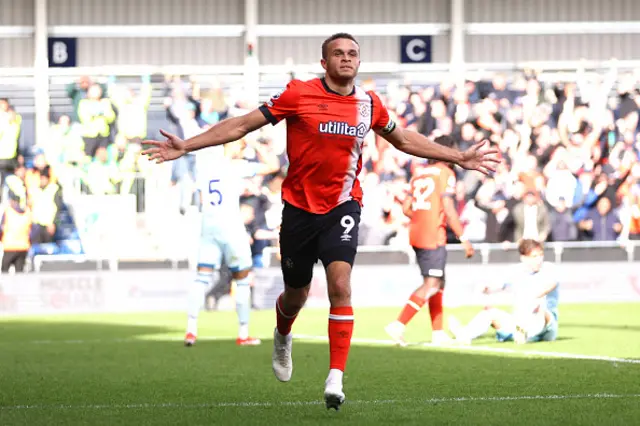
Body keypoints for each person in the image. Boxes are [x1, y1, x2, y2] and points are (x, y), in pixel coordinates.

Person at [142, 33, 499, 410]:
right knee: (295, 294)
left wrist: (457, 156)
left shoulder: (369, 104)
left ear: (359, 62)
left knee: (340, 285)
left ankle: (335, 378)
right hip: (298, 210)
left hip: (342, 207)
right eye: (338, 54)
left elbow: (405, 140)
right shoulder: (298, 94)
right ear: (324, 63)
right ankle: (283, 334)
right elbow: (243, 125)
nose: (346, 59)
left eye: (353, 54)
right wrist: (187, 145)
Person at [185, 137, 280, 347]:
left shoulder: (206, 168)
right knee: (243, 279)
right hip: (231, 226)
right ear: (234, 145)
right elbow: (274, 166)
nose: (244, 150)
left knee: (201, 278)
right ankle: (243, 333)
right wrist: (257, 145)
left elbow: (200, 199)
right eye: (242, 146)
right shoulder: (237, 167)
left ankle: (191, 331)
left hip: (208, 227)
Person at [385, 135, 475, 346]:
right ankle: (398, 325)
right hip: (433, 236)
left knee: (439, 282)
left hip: (416, 233)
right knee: (432, 283)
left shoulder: (418, 174)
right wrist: (463, 238)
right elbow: (450, 210)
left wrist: (422, 218)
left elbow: (407, 208)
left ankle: (438, 333)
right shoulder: (446, 174)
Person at [448, 239, 559, 344]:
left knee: (538, 305)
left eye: (541, 255)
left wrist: (532, 298)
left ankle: (523, 331)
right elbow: (498, 286)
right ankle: (464, 335)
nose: (539, 259)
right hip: (520, 320)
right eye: (534, 256)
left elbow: (551, 285)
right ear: (523, 258)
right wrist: (486, 288)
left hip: (546, 326)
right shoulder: (515, 271)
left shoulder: (549, 269)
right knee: (489, 313)